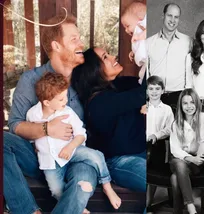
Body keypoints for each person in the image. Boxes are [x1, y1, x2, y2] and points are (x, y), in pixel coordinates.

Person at [4, 13, 99, 214]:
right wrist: (46, 129)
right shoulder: (31, 80)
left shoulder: (85, 78)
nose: (81, 43)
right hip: (41, 159)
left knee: (82, 185)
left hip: (76, 156)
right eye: (74, 39)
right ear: (56, 46)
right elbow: (15, 125)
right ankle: (28, 211)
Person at [26, 72, 121, 211]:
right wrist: (35, 146)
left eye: (66, 96)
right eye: (61, 99)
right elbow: (31, 135)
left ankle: (107, 187)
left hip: (73, 150)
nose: (65, 101)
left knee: (96, 156)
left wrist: (70, 147)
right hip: (50, 161)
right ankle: (78, 207)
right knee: (55, 190)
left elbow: (81, 134)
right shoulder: (33, 114)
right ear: (46, 102)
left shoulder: (68, 112)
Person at [71, 47, 147, 213]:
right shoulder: (97, 102)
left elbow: (148, 86)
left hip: (142, 152)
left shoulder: (119, 85)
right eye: (105, 57)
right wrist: (148, 55)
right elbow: (144, 93)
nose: (113, 56)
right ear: (94, 71)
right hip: (119, 162)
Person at [169, 88, 204, 214]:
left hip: (197, 163)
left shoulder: (203, 118)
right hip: (181, 161)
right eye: (185, 103)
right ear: (181, 106)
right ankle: (191, 206)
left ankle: (179, 211)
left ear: (197, 103)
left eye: (192, 102)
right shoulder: (176, 124)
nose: (189, 106)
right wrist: (190, 158)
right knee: (179, 163)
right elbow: (174, 149)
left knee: (174, 179)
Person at [146, 3, 192, 111]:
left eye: (176, 17)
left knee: (178, 128)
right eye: (169, 15)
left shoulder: (188, 42)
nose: (173, 20)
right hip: (155, 96)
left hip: (178, 97)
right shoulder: (149, 43)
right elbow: (146, 73)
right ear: (163, 16)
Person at [145, 75, 174, 205]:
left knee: (154, 173)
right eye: (151, 89)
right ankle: (143, 200)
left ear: (163, 90)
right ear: (146, 91)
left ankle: (148, 201)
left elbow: (170, 128)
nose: (154, 92)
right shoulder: (143, 107)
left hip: (158, 144)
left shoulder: (167, 109)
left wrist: (156, 135)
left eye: (157, 88)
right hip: (142, 145)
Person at [120, 1, 147, 84]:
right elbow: (141, 44)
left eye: (127, 26)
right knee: (143, 73)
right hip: (147, 60)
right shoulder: (138, 31)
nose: (126, 30)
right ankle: (142, 81)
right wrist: (134, 51)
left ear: (140, 18)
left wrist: (140, 36)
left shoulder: (145, 23)